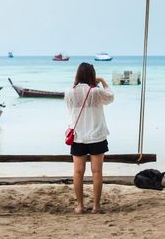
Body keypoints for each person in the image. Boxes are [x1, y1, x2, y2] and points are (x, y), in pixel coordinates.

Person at [65, 62, 114, 214]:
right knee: (97, 172)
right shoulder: (95, 92)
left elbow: (70, 108)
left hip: (78, 136)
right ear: (92, 75)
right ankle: (96, 206)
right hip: (97, 136)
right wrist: (103, 81)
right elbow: (111, 97)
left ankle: (80, 206)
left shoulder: (69, 92)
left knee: (78, 172)